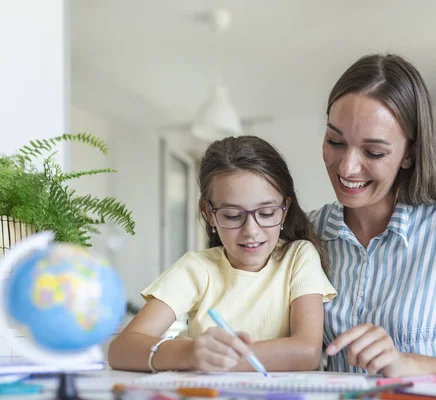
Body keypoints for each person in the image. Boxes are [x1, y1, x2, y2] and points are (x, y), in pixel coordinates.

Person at [310, 53, 436, 378]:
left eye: (373, 152)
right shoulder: (310, 230)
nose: (346, 167)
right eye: (335, 141)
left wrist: (407, 364)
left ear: (409, 154)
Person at [109, 136, 336, 373]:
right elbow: (121, 349)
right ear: (209, 214)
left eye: (267, 213)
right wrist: (189, 354)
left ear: (285, 209)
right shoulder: (197, 268)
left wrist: (213, 361)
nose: (251, 231)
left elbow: (306, 353)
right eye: (232, 215)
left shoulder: (298, 257)